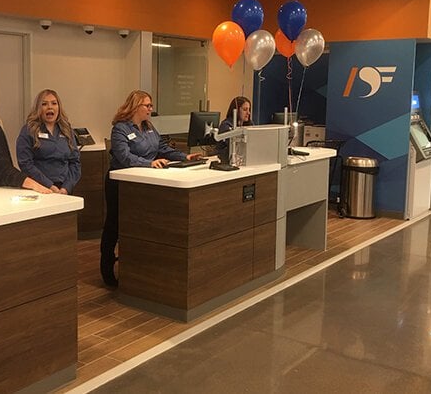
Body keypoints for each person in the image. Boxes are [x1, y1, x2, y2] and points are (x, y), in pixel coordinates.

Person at [99, 90, 201, 287]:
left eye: (151, 105)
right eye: (147, 105)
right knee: (114, 224)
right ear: (136, 106)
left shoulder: (149, 127)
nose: (150, 109)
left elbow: (162, 148)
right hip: (120, 184)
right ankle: (106, 267)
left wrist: (184, 156)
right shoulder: (120, 129)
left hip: (143, 184)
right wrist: (149, 163)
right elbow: (124, 157)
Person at [16, 89, 81, 194]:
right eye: (44, 104)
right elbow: (25, 163)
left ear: (59, 107)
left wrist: (66, 188)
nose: (50, 107)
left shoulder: (66, 129)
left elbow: (75, 162)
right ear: (38, 108)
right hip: (40, 188)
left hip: (64, 189)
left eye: (54, 103)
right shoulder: (29, 130)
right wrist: (49, 185)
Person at [216, 96, 253, 163]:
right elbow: (235, 148)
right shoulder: (226, 125)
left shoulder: (249, 124)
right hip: (228, 161)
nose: (248, 113)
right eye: (245, 109)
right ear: (236, 110)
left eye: (249, 109)